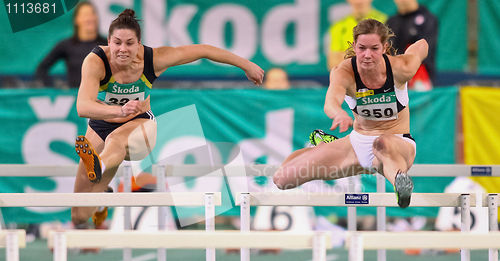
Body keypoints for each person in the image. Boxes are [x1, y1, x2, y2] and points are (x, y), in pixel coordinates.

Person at [72, 9, 264, 228]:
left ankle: (99, 164)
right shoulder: (95, 61)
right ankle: (102, 196)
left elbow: (202, 50)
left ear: (139, 44)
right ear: (108, 41)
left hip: (139, 124)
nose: (123, 50)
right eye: (117, 43)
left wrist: (246, 65)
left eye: (129, 43)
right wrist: (120, 111)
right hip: (101, 124)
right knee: (79, 214)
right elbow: (83, 107)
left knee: (115, 141)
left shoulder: (154, 59)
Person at [273, 19, 428, 208]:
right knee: (282, 179)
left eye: (374, 49)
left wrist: (415, 46)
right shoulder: (343, 72)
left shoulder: (401, 68)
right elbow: (331, 101)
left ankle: (400, 184)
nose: (367, 55)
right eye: (362, 48)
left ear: (385, 47)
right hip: (357, 144)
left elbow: (422, 45)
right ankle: (322, 146)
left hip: (397, 144)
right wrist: (338, 113)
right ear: (354, 46)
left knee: (382, 144)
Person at [35, 1, 107, 87]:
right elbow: (41, 69)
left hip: (100, 98)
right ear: (76, 20)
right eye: (85, 15)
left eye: (92, 14)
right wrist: (53, 87)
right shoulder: (66, 45)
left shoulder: (107, 45)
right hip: (74, 97)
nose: (90, 18)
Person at [386, 0, 438, 90]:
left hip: (420, 76)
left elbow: (424, 50)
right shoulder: (391, 21)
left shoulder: (428, 19)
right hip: (394, 77)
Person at [328, 0, 387, 70]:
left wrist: (345, 56)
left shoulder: (386, 21)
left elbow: (388, 59)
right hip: (349, 78)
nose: (358, 2)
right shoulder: (338, 27)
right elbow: (333, 63)